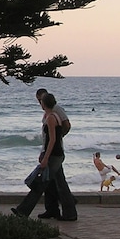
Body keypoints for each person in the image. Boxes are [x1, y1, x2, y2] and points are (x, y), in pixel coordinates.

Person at [11, 92, 77, 221]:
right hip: (56, 154)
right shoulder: (52, 116)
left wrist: (46, 157)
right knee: (58, 184)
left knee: (40, 184)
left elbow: (52, 140)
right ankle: (66, 211)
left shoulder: (52, 117)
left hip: (54, 155)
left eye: (40, 101)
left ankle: (23, 211)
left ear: (44, 103)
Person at [34, 88, 72, 219]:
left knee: (59, 183)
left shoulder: (55, 111)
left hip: (54, 153)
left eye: (41, 100)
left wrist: (58, 138)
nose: (39, 103)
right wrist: (43, 152)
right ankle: (52, 209)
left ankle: (69, 211)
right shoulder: (47, 114)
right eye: (38, 100)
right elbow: (47, 138)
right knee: (50, 183)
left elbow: (66, 126)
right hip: (50, 152)